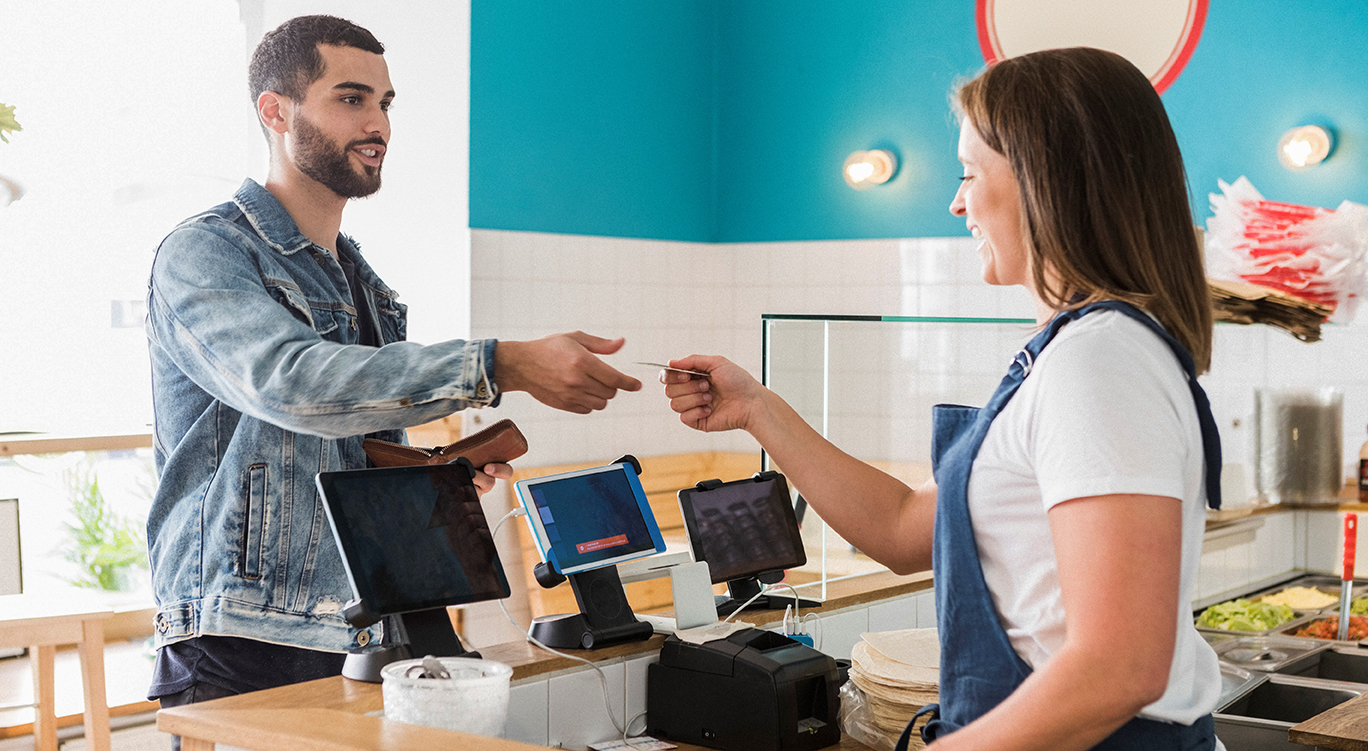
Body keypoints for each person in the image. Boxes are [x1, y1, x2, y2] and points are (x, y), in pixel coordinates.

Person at [662, 47, 1223, 750]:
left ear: (1042, 181)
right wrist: (757, 408)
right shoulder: (1074, 352)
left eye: (969, 173)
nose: (957, 202)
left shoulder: (1099, 360)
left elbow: (1121, 665)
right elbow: (903, 528)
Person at [144, 14, 641, 722]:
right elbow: (292, 383)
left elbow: (339, 451)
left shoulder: (364, 285)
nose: (377, 122)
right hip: (237, 643)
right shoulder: (205, 254)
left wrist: (431, 477)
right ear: (274, 111)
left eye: (385, 102)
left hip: (361, 633)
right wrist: (502, 362)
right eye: (351, 98)